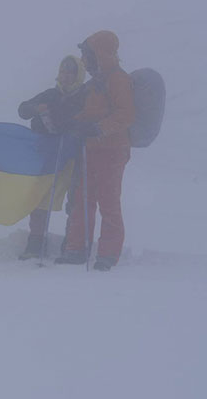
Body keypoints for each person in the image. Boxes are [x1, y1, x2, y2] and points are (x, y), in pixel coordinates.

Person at [56, 31, 135, 271]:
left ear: (98, 54)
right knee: (82, 199)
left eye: (86, 54)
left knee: (108, 201)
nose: (83, 59)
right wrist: (77, 123)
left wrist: (98, 128)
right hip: (91, 149)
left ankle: (107, 253)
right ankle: (77, 248)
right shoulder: (96, 82)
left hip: (112, 150)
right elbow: (92, 113)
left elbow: (126, 114)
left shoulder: (118, 79)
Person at [16, 55, 87, 260]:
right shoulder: (50, 94)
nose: (65, 76)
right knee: (40, 198)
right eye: (62, 72)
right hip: (48, 157)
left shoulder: (84, 96)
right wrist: (36, 108)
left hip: (73, 157)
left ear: (78, 75)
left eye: (70, 72)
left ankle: (71, 243)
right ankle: (36, 242)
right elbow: (23, 109)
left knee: (74, 200)